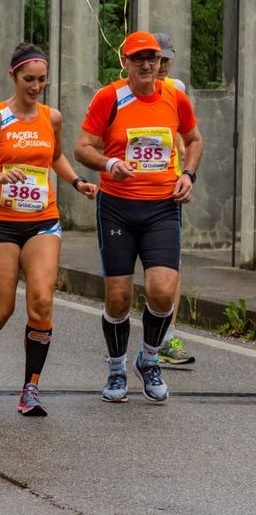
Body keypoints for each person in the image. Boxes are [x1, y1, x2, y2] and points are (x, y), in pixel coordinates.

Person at [0, 42, 97, 416]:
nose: (35, 87)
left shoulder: (51, 117)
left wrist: (76, 182)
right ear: (13, 77)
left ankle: (30, 388)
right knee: (0, 311)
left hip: (42, 219)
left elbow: (54, 156)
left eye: (41, 80)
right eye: (28, 80)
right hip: (1, 223)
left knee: (41, 299)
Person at [74, 31, 203, 404]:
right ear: (125, 63)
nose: (147, 64)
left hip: (163, 206)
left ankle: (148, 359)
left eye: (153, 57)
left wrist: (188, 174)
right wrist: (109, 162)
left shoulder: (175, 97)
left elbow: (194, 139)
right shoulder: (109, 97)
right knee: (118, 297)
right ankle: (116, 368)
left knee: (162, 292)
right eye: (139, 58)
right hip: (117, 205)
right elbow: (83, 148)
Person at [151, 32, 194, 365]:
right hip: (131, 194)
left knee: (171, 268)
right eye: (156, 58)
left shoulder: (176, 89)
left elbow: (186, 130)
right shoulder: (121, 92)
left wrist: (185, 172)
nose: (161, 65)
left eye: (166, 59)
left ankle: (167, 337)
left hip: (169, 192)